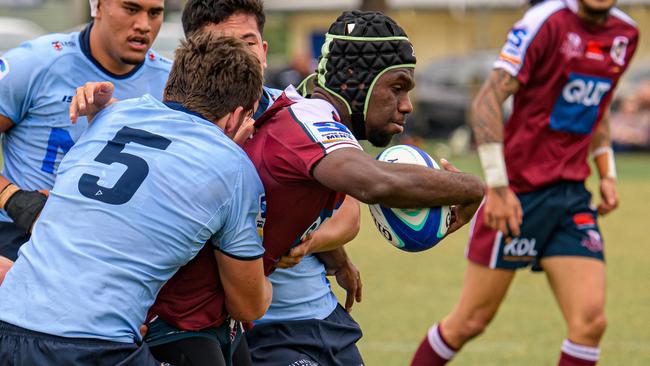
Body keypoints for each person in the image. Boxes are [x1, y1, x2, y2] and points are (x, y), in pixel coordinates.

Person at [70, 2, 362, 365]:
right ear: (197, 53)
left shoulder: (297, 114)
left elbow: (348, 209)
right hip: (213, 319)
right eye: (223, 45)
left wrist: (314, 242)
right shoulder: (173, 112)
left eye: (248, 43)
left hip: (298, 311)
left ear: (265, 49)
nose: (238, 57)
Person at [0, 33, 271, 366]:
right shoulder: (235, 167)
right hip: (95, 346)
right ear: (237, 116)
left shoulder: (112, 116)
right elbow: (248, 307)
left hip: (8, 323)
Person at [240, 10, 485, 366]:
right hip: (263, 332)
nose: (407, 106)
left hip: (320, 321)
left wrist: (332, 252)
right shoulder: (309, 120)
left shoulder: (310, 116)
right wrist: (471, 187)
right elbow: (376, 182)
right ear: (355, 78)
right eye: (397, 88)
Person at [410, 1, 638, 365]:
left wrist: (606, 172)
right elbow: (486, 101)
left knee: (590, 323)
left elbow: (599, 105)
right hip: (517, 196)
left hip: (571, 199)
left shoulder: (626, 34)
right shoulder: (544, 22)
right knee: (470, 321)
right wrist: (499, 190)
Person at [0, 0, 170, 262]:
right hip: (23, 237)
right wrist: (14, 198)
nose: (144, 25)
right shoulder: (35, 63)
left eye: (155, 13)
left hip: (113, 247)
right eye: (131, 9)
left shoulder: (170, 83)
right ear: (98, 7)